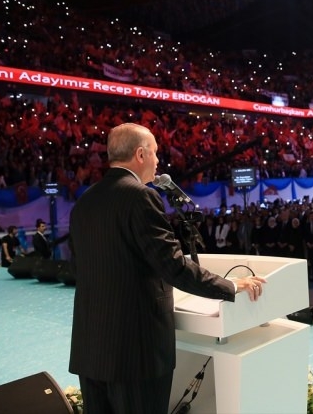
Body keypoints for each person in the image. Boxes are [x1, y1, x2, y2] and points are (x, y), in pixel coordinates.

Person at [68, 123, 266, 414]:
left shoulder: (85, 200)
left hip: (91, 349)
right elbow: (173, 266)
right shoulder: (140, 196)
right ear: (140, 155)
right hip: (135, 354)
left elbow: (79, 268)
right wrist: (232, 285)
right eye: (155, 152)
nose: (158, 160)